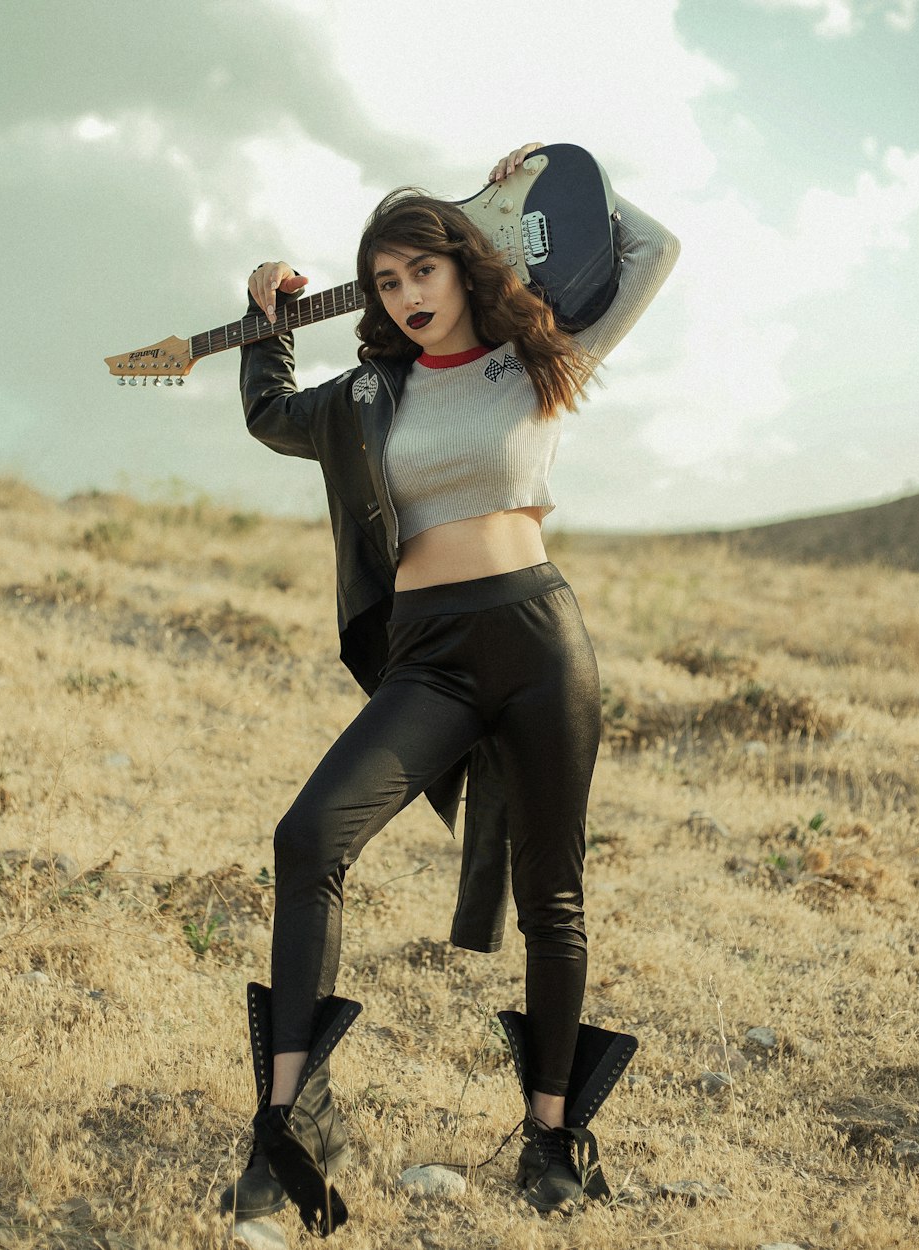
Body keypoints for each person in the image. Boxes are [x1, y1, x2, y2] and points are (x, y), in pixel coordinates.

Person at [220, 142, 680, 1235]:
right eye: (383, 282)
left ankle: (552, 1137)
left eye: (419, 270)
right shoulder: (370, 394)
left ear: (463, 265)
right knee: (308, 836)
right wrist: (261, 320)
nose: (404, 295)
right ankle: (288, 1120)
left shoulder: (541, 356)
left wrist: (533, 185)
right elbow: (268, 411)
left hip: (538, 639)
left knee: (552, 895)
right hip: (427, 652)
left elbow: (651, 248)